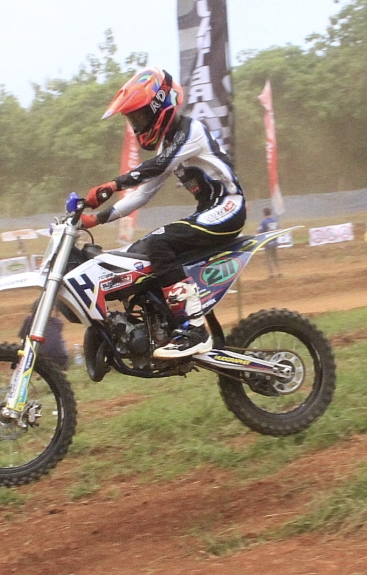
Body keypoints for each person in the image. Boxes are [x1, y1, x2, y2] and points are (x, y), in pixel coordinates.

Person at [78, 67, 245, 359]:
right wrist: (97, 219)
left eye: (140, 117)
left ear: (159, 107)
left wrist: (113, 185)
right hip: (209, 211)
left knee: (159, 243)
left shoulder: (191, 132)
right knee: (140, 250)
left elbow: (155, 168)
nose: (137, 125)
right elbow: (143, 193)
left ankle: (195, 330)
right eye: (133, 120)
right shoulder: (169, 147)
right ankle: (161, 322)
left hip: (228, 208)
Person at [18, 301, 69, 370]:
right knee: (61, 341)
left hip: (37, 360)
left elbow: (23, 338)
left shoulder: (29, 320)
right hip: (60, 360)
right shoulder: (58, 322)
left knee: (26, 342)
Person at [258, 207, 281, 278]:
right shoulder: (275, 220)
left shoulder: (263, 222)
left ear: (264, 214)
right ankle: (279, 272)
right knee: (275, 258)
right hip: (274, 241)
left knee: (269, 259)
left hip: (267, 242)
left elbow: (260, 232)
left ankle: (272, 274)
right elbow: (278, 229)